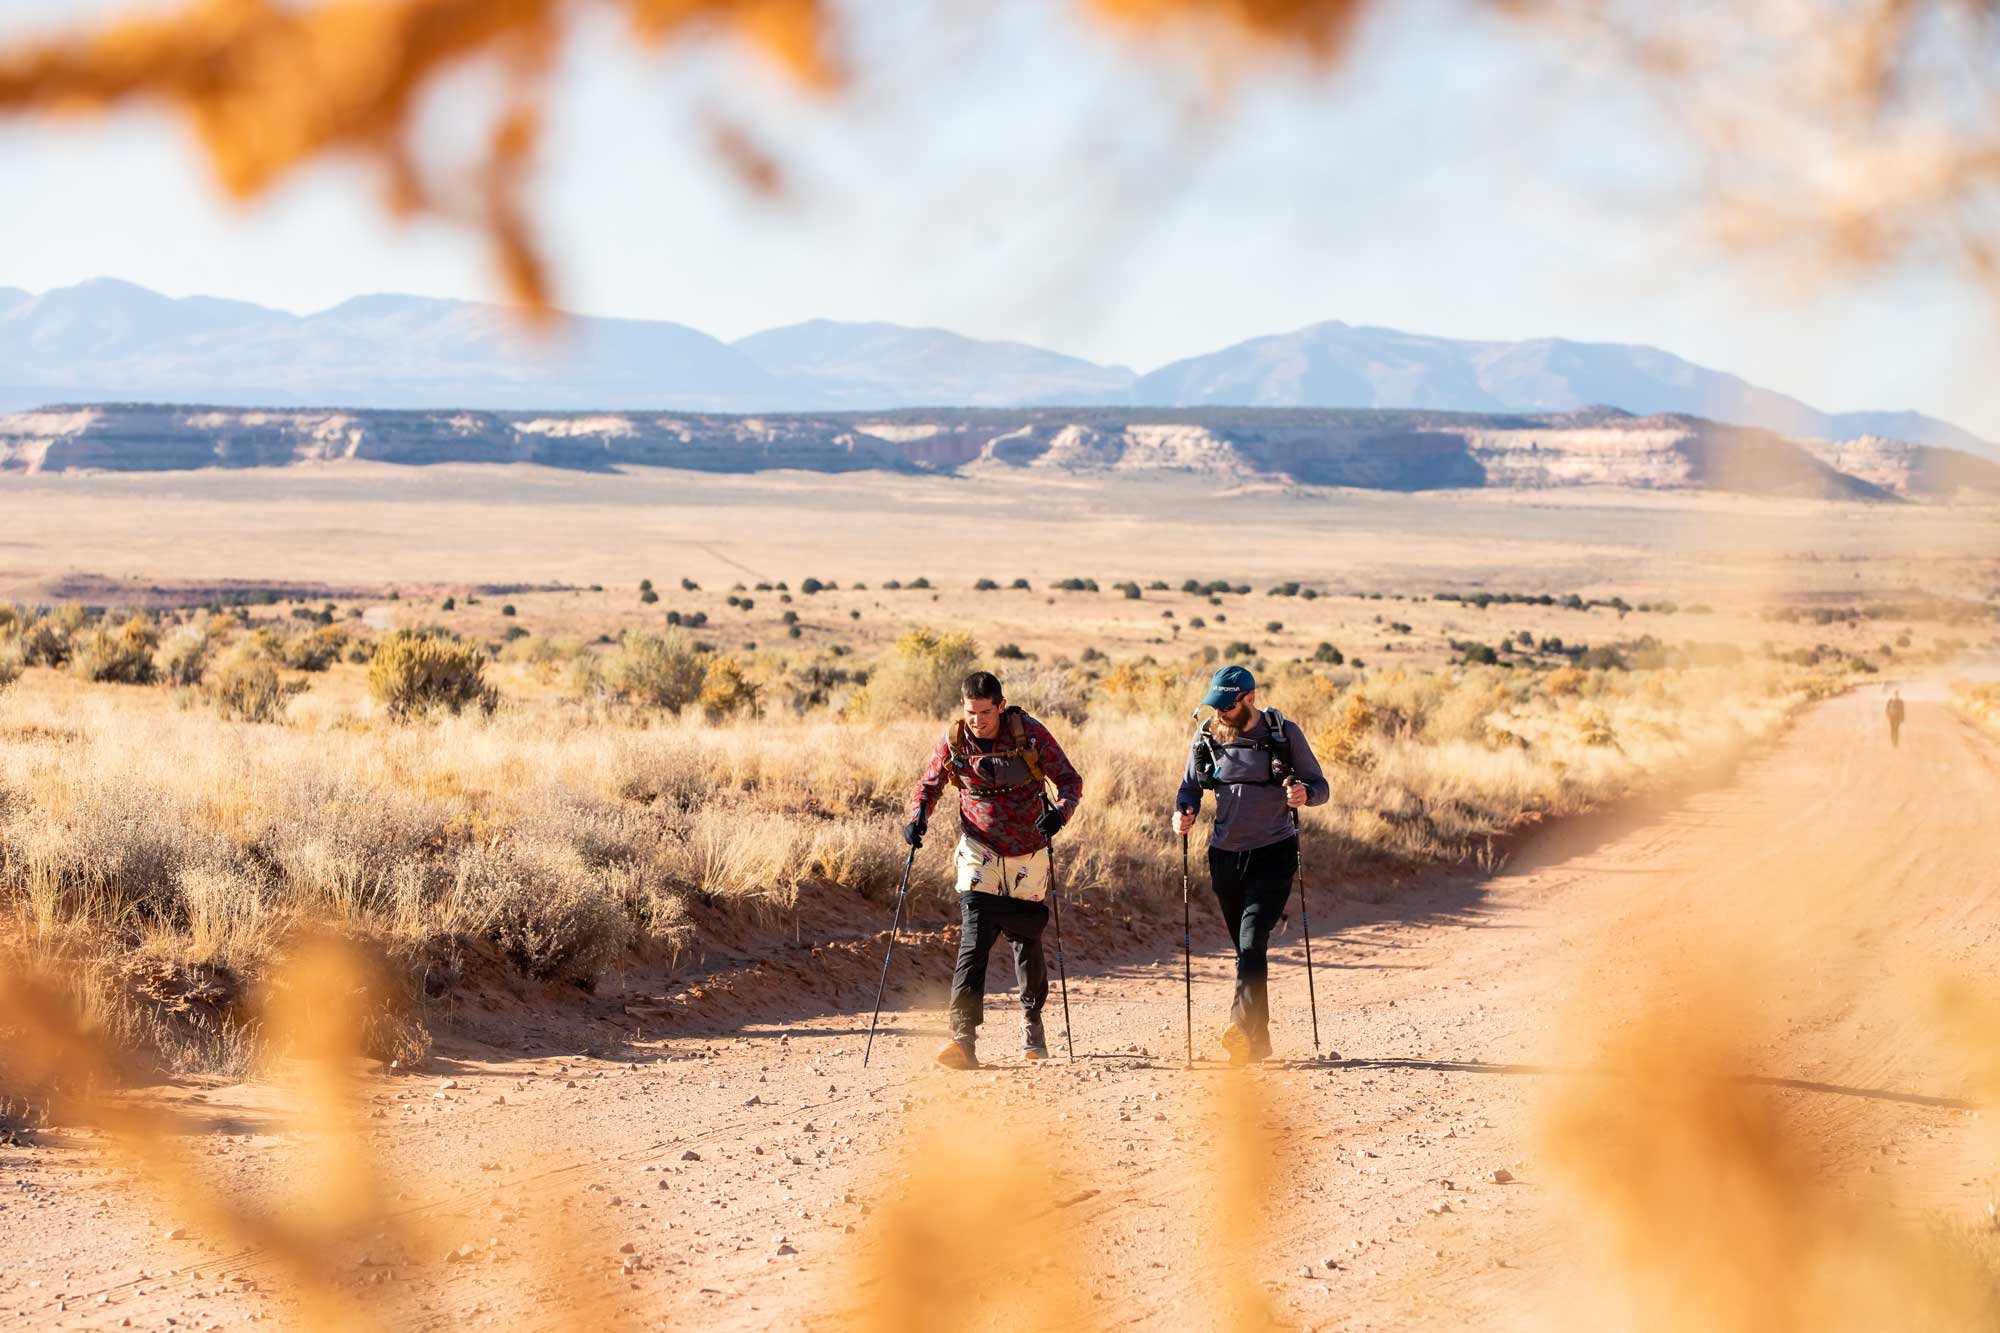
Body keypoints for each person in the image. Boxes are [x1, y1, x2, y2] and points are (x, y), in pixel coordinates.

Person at [906, 670, 1083, 1070]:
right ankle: (963, 1039)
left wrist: (1060, 815)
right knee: (974, 939)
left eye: (984, 713)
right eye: (970, 713)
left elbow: (1070, 781)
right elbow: (929, 785)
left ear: (1001, 706)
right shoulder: (955, 740)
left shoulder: (1030, 734)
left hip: (1027, 853)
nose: (977, 721)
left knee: (1027, 939)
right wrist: (919, 817)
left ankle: (1032, 1022)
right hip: (978, 850)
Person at [1172, 664, 1330, 1066]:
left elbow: (1320, 787)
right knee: (1246, 953)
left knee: (1251, 941)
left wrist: (1304, 794)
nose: (1221, 713)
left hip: (1273, 852)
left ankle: (1240, 1029)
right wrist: (1184, 811)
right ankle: (1259, 1042)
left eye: (1227, 706)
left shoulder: (1283, 734)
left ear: (1249, 700)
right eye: (1216, 706)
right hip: (1224, 855)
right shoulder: (1207, 735)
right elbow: (1189, 786)